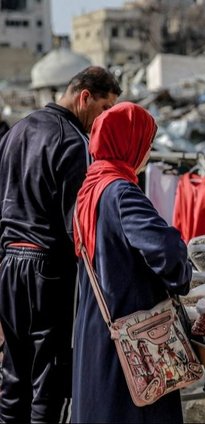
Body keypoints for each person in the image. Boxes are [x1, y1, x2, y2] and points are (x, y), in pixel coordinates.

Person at [0, 66, 121, 423]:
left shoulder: (17, 131)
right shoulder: (73, 142)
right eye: (104, 109)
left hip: (8, 264)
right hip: (47, 270)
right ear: (84, 97)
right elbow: (77, 228)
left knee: (13, 373)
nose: (102, 120)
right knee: (48, 377)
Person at [71, 102, 192, 423]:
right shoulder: (121, 191)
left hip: (98, 330)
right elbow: (166, 250)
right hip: (131, 339)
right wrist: (182, 276)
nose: (148, 152)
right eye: (147, 144)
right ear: (130, 142)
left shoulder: (90, 187)